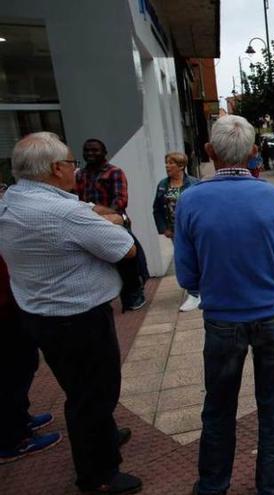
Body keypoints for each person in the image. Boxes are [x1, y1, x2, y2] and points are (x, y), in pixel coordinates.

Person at [174, 115, 274, 495]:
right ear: (253, 152)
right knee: (273, 405)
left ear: (209, 152)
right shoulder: (273, 198)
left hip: (221, 321)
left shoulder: (190, 200)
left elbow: (186, 275)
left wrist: (214, 287)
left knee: (218, 407)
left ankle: (212, 485)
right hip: (273, 319)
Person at [0, 132, 140, 494]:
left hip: (38, 312)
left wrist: (97, 217)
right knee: (93, 395)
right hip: (78, 318)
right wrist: (116, 220)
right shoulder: (61, 212)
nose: (75, 169)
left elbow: (86, 216)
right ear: (54, 169)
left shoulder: (11, 200)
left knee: (78, 387)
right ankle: (98, 474)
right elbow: (125, 249)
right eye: (70, 163)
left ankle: (105, 436)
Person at [0, 185, 63, 464]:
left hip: (14, 303)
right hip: (3, 308)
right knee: (10, 371)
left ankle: (20, 417)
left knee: (23, 364)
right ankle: (13, 438)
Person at [76, 138, 147, 311]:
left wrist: (101, 215)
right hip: (87, 224)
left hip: (114, 222)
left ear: (104, 152)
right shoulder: (79, 175)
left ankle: (134, 294)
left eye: (95, 150)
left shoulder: (114, 172)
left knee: (125, 260)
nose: (90, 154)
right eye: (87, 150)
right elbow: (77, 199)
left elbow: (120, 201)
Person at [152, 152, 201, 312]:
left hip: (193, 229)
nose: (167, 166)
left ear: (181, 166)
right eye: (166, 163)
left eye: (171, 163)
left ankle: (203, 289)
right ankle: (193, 293)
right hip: (175, 231)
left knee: (199, 257)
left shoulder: (194, 183)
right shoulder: (162, 185)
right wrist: (163, 228)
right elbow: (157, 209)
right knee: (184, 260)